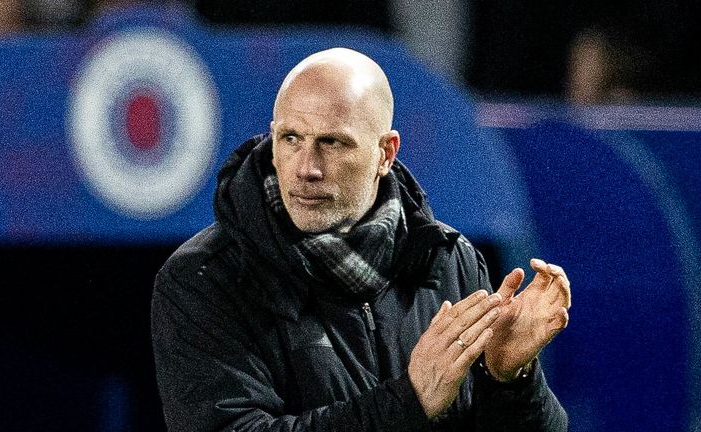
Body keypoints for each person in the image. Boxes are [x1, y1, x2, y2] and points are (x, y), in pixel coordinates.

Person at [152, 47, 571, 431]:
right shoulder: (205, 278)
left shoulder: (449, 261)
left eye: (332, 143)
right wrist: (409, 402)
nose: (306, 168)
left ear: (385, 154)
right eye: (291, 138)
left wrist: (512, 380)